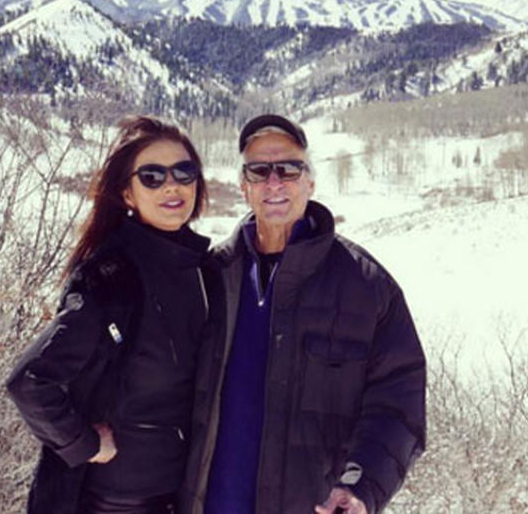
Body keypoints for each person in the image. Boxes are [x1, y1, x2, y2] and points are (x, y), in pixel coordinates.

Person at [180, 115, 426, 514]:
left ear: (310, 182)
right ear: (244, 186)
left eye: (289, 169)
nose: (274, 183)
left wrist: (361, 485)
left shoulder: (366, 287)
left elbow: (398, 405)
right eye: (259, 171)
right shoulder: (211, 277)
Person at [7, 115, 218, 514]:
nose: (171, 185)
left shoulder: (205, 270)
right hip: (115, 503)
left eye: (183, 172)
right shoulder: (112, 277)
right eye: (152, 176)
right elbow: (30, 381)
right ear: (127, 194)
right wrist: (83, 443)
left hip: (180, 497)